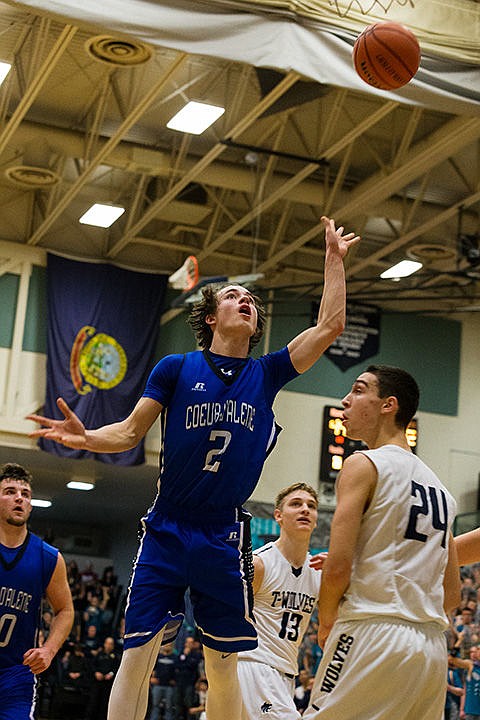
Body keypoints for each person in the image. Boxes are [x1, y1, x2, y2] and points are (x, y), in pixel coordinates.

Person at [27, 215, 359, 720]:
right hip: (167, 524)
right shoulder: (176, 368)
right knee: (136, 654)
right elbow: (130, 432)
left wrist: (334, 262)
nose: (245, 301)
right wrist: (87, 436)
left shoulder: (266, 373)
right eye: (232, 297)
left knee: (222, 663)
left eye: (250, 301)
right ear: (210, 316)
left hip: (223, 530)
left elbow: (330, 326)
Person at [302, 365, 461, 720]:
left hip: (370, 630)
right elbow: (451, 594)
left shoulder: (363, 464)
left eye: (358, 390)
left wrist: (326, 621)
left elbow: (338, 567)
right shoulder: (442, 492)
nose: (346, 399)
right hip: (431, 649)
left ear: (388, 405)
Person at [237, 482, 322, 720]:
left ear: (316, 518)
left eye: (311, 506)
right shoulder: (260, 564)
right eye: (296, 504)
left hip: (285, 673)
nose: (305, 509)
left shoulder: (318, 572)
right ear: (279, 516)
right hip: (254, 664)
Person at [0, 462, 74, 720]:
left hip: (15, 675)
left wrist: (49, 650)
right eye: (9, 491)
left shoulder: (48, 557)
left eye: (25, 494)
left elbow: (65, 610)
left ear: (30, 504)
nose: (19, 498)